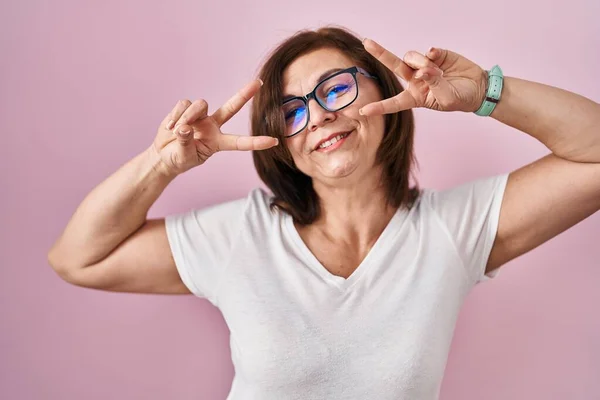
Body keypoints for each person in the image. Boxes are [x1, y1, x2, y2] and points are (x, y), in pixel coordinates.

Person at [47, 26, 600, 400]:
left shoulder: (452, 231)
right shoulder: (241, 235)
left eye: (335, 89)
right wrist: (159, 166)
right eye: (291, 109)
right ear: (281, 142)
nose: (316, 117)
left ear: (388, 98)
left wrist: (483, 91)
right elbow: (78, 259)